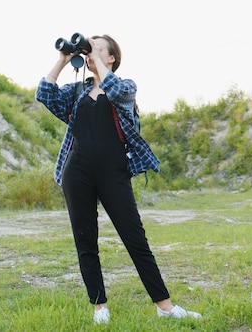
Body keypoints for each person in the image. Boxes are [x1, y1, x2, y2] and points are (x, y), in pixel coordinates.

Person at [35, 34, 201, 324]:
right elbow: (45, 94)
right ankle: (100, 307)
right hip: (77, 171)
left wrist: (96, 61)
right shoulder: (77, 92)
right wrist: (63, 59)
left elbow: (115, 90)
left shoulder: (125, 86)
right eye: (89, 48)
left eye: (98, 48)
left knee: (135, 238)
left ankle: (165, 307)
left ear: (111, 57)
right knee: (85, 240)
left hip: (113, 171)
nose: (90, 52)